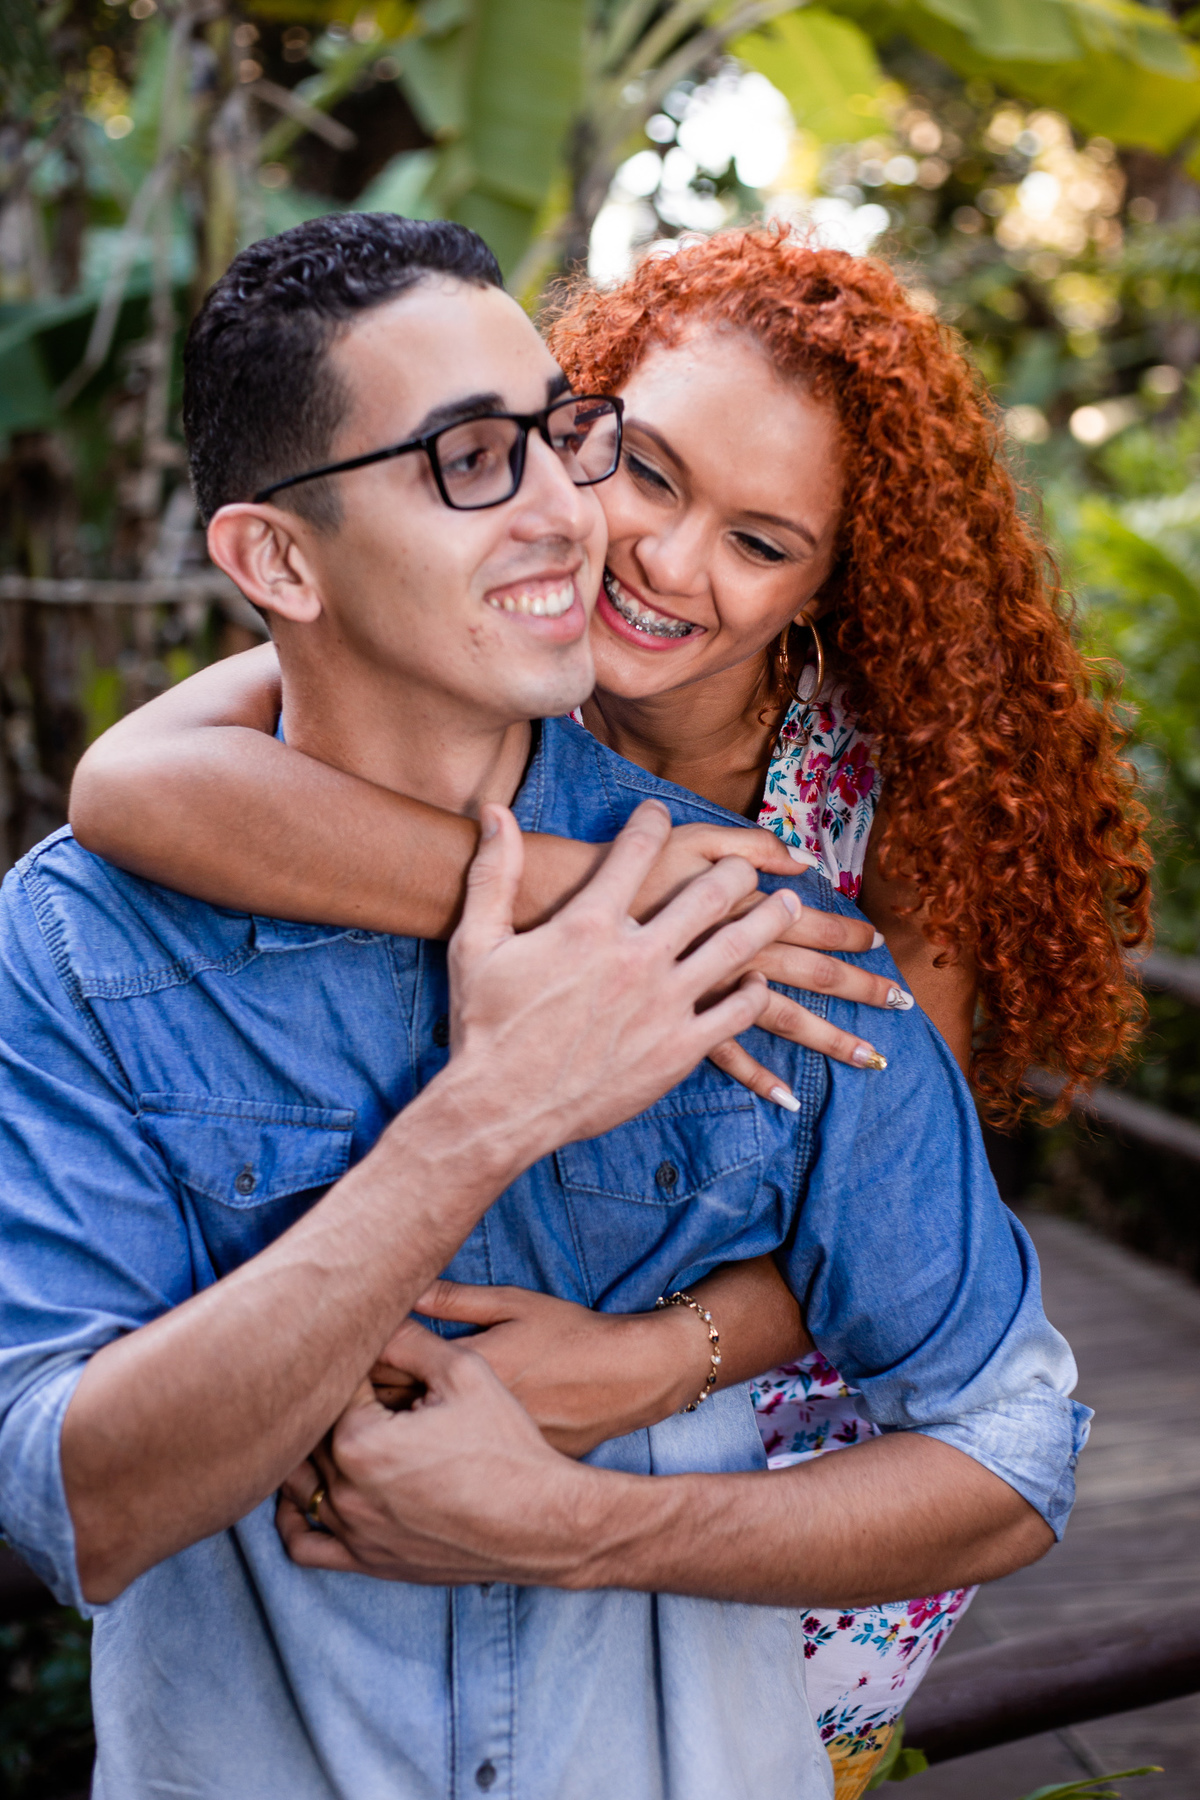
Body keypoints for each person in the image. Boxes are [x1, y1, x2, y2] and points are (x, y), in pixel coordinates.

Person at [1, 214, 1084, 1800]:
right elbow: (137, 789)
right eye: (600, 460)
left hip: (771, 1532)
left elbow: (985, 1384)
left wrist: (643, 1391)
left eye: (760, 542)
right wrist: (538, 1030)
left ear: (831, 593)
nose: (618, 537)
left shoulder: (816, 871)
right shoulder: (101, 925)